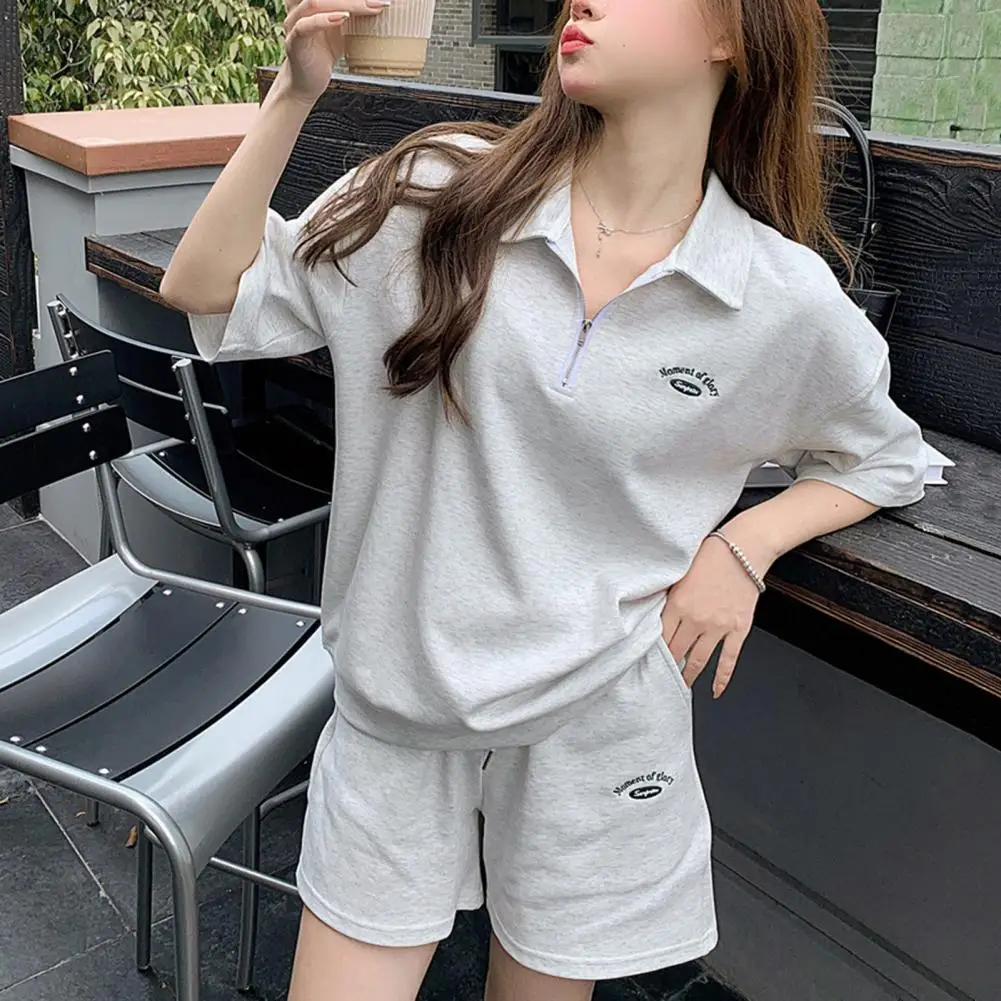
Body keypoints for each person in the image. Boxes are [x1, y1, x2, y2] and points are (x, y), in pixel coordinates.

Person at [160, 0, 929, 994]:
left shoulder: (773, 294)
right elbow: (206, 287)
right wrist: (294, 95)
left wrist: (744, 546)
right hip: (396, 712)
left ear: (729, 35)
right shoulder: (435, 193)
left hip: (596, 725)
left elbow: (884, 456)